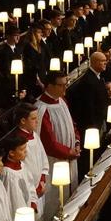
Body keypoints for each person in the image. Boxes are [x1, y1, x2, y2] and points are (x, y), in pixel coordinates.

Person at [36, 71, 80, 209]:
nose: (65, 88)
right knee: (57, 200)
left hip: (70, 156)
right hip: (55, 162)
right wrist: (69, 152)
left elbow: (72, 125)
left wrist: (77, 142)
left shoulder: (62, 101)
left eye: (65, 84)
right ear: (49, 86)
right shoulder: (41, 108)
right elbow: (48, 143)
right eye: (61, 85)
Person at [12, 103, 48, 221]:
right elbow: (24, 170)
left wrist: (42, 179)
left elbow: (43, 159)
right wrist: (35, 188)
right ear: (22, 120)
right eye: (33, 118)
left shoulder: (35, 136)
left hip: (40, 188)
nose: (37, 121)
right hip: (30, 192)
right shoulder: (19, 142)